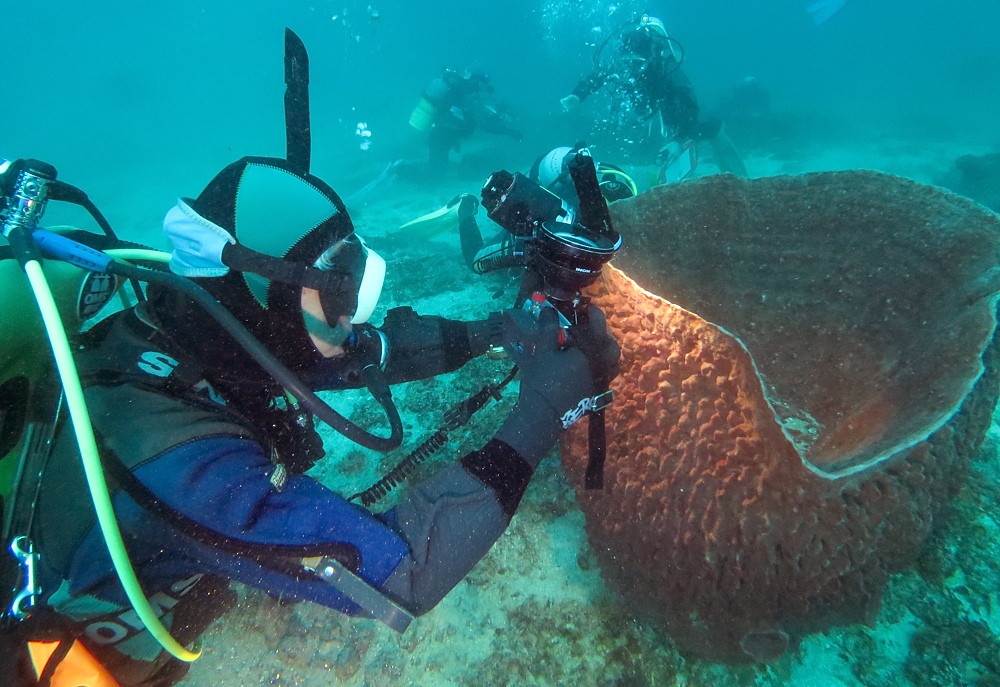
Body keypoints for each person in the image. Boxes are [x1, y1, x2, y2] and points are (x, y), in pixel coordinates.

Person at [10, 156, 620, 686]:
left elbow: (356, 351)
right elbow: (406, 572)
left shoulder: (204, 329)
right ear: (256, 296)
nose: (353, 315)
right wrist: (542, 410)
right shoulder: (179, 463)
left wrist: (496, 333)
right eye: (338, 293)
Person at [559, 15, 747, 176]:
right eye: (628, 63)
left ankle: (740, 182)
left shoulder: (669, 70)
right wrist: (578, 95)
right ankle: (668, 178)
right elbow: (599, 75)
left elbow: (689, 104)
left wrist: (679, 138)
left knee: (712, 128)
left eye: (638, 63)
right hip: (657, 116)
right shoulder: (623, 65)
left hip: (682, 114)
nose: (633, 70)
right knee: (665, 150)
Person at [408, 68, 523, 174]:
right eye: (482, 85)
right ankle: (398, 170)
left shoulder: (460, 93)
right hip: (440, 138)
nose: (483, 89)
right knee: (435, 176)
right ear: (476, 82)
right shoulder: (465, 97)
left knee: (438, 169)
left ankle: (406, 167)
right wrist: (509, 131)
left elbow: (477, 118)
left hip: (441, 137)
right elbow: (484, 124)